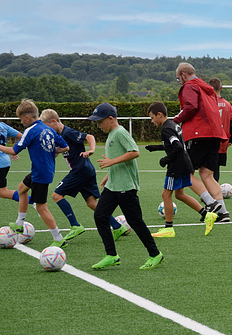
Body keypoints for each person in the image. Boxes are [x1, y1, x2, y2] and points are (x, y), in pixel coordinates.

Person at [87, 102, 164, 270]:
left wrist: (111, 162)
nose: (98, 125)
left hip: (126, 186)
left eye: (100, 122)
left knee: (135, 221)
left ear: (110, 118)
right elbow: (119, 157)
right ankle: (111, 255)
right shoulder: (111, 133)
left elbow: (134, 152)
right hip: (113, 185)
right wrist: (109, 174)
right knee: (100, 216)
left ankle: (155, 254)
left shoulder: (120, 132)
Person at [40, 109, 125, 242]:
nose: (46, 130)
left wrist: (91, 150)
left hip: (80, 170)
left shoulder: (67, 132)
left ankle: (75, 225)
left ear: (54, 121)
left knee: (56, 195)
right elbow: (58, 152)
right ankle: (117, 226)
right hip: (86, 170)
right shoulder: (58, 135)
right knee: (91, 203)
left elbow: (89, 137)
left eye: (46, 126)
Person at [1, 99, 69, 247]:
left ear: (27, 117)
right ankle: (19, 223)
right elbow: (65, 147)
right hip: (41, 170)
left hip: (40, 173)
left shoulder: (30, 130)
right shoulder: (48, 129)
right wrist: (51, 151)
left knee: (41, 207)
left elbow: (13, 150)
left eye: (21, 119)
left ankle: (58, 239)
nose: (21, 122)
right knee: (21, 189)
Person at [145, 102, 219, 238]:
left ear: (159, 114)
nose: (152, 120)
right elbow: (174, 144)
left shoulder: (166, 129)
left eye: (152, 117)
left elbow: (177, 147)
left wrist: (165, 160)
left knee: (166, 195)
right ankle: (207, 215)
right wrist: (155, 148)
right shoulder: (173, 125)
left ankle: (168, 228)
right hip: (185, 163)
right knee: (179, 194)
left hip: (176, 166)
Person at [173, 63, 230, 222]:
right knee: (207, 174)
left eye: (179, 79)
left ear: (184, 75)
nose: (179, 82)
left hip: (199, 134)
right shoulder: (207, 88)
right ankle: (223, 213)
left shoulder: (189, 86)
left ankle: (210, 203)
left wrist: (175, 120)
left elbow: (190, 107)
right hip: (215, 134)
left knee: (185, 172)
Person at [208, 78, 232, 183]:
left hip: (208, 139)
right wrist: (230, 140)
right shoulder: (227, 105)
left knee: (206, 168)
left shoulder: (206, 103)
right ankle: (214, 192)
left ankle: (210, 193)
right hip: (222, 140)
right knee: (216, 167)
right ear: (221, 87)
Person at [0, 121, 21, 201]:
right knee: (2, 191)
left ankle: (32, 201)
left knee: (2, 192)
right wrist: (14, 150)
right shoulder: (3, 125)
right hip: (5, 161)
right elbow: (19, 136)